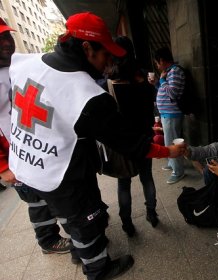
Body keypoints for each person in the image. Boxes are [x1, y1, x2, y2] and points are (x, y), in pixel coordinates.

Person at [8, 12, 185, 280]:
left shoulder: (23, 62)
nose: (109, 63)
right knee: (86, 222)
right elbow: (128, 142)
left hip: (24, 165)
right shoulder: (86, 93)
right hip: (59, 175)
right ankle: (98, 269)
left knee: (71, 220)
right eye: (106, 55)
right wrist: (167, 151)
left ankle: (79, 251)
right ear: (86, 47)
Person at [0, 18, 72, 255]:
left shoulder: (20, 65)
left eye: (7, 37)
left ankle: (74, 229)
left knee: (52, 193)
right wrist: (2, 167)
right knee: (37, 202)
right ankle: (48, 241)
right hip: (17, 156)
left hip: (41, 148)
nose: (6, 44)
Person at [108, 36, 159, 237]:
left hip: (123, 140)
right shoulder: (142, 75)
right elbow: (150, 105)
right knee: (147, 177)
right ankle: (152, 214)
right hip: (144, 136)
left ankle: (127, 223)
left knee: (124, 182)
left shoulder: (111, 79)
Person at [148, 47, 186, 184]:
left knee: (172, 142)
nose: (157, 66)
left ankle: (178, 171)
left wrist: (162, 81)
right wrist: (157, 84)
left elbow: (172, 93)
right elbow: (165, 90)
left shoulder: (175, 72)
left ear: (162, 61)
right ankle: (172, 163)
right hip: (166, 114)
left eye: (157, 63)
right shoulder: (169, 72)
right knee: (168, 141)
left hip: (172, 114)